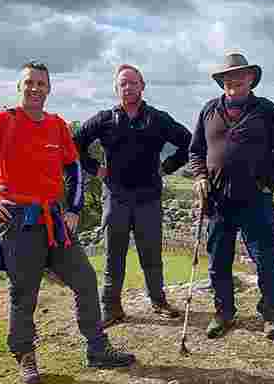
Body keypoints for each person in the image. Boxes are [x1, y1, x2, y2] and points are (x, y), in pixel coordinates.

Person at [0, 61, 136, 384]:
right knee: (24, 293)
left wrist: (74, 207)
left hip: (55, 218)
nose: (35, 88)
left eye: (41, 83)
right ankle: (25, 358)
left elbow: (74, 167)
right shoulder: (3, 121)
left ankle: (97, 349)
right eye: (29, 83)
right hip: (18, 221)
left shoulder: (57, 125)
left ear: (49, 89)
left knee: (84, 278)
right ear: (20, 87)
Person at [73, 64, 193, 326]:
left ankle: (158, 301)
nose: (128, 88)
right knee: (113, 254)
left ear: (142, 86)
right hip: (115, 196)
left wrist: (167, 167)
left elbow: (189, 142)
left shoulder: (158, 119)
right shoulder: (104, 119)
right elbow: (74, 145)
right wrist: (95, 169)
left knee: (150, 254)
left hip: (149, 196)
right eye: (122, 84)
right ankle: (111, 307)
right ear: (117, 89)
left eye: (132, 83)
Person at [189, 52, 274, 340]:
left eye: (240, 74)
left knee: (266, 260)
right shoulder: (209, 110)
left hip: (255, 200)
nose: (233, 80)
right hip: (219, 201)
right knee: (218, 261)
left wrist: (268, 184)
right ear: (222, 81)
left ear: (250, 78)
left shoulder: (266, 110)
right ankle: (223, 312)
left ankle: (271, 314)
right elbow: (195, 150)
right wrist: (199, 176)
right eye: (228, 76)